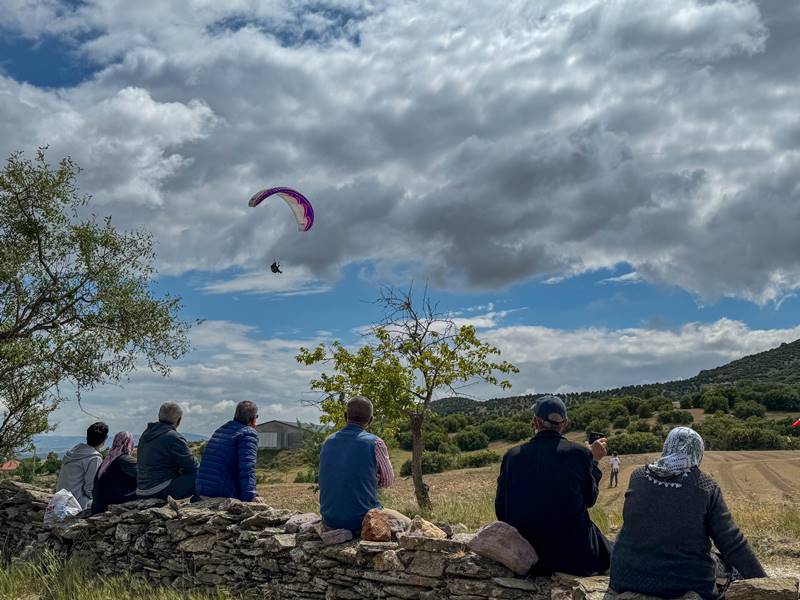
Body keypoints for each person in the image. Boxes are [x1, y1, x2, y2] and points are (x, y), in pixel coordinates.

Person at [610, 427, 766, 600]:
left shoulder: (638, 477)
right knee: (728, 568)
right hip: (681, 584)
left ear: (667, 446)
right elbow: (731, 542)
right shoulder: (705, 486)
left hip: (624, 577)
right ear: (697, 452)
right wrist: (764, 583)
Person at [495, 395, 611, 576]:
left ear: (535, 421)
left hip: (525, 554)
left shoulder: (512, 456)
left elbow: (501, 510)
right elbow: (590, 499)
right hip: (574, 557)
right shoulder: (579, 454)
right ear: (564, 423)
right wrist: (594, 462)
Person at [318, 396, 395, 533]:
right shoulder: (376, 443)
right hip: (363, 521)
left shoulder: (327, 442)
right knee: (409, 523)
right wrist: (367, 481)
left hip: (329, 521)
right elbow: (388, 481)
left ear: (345, 416)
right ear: (371, 420)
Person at [195, 401, 265, 502]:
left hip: (203, 490)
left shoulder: (222, 429)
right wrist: (250, 496)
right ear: (252, 418)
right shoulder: (248, 433)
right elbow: (247, 467)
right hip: (222, 492)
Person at [136, 403, 198, 500]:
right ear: (179, 420)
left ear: (159, 416)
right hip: (159, 490)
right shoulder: (173, 437)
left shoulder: (146, 434)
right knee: (202, 475)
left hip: (142, 490)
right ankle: (197, 503)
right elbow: (193, 466)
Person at [56, 422, 109, 511]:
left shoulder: (74, 451)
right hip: (76, 502)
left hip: (60, 500)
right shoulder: (94, 457)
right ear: (104, 440)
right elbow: (90, 489)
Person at [91, 431, 137, 515]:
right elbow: (145, 475)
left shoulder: (107, 461)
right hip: (110, 507)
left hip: (98, 507)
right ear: (129, 443)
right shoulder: (125, 460)